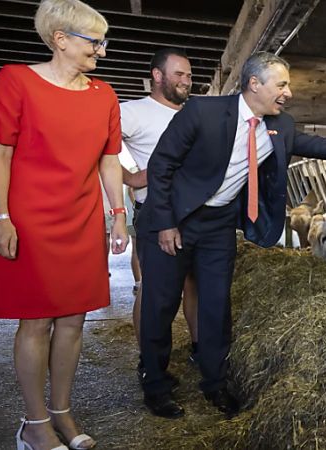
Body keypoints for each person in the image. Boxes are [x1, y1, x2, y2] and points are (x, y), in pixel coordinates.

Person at [137, 51, 326, 418]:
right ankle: (155, 383)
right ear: (255, 84)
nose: (288, 93)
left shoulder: (279, 125)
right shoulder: (202, 112)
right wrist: (165, 223)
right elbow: (161, 165)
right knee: (160, 303)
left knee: (216, 305)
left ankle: (214, 383)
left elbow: (321, 147)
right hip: (175, 218)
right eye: (281, 84)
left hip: (219, 226)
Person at [0, 1, 127, 449]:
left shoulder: (104, 94)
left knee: (73, 321)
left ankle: (63, 414)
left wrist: (117, 215)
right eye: (94, 42)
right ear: (60, 39)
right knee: (36, 321)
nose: (101, 52)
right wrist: (0, 216)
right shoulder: (16, 81)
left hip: (82, 219)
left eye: (103, 42)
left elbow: (109, 160)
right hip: (29, 218)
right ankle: (33, 423)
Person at [119, 48, 199, 379]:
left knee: (196, 285)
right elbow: (95, 148)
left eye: (190, 76)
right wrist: (132, 177)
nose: (186, 81)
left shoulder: (194, 112)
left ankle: (199, 348)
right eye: (179, 74)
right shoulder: (132, 111)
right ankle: (148, 360)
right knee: (153, 289)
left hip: (196, 212)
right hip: (156, 210)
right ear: (157, 75)